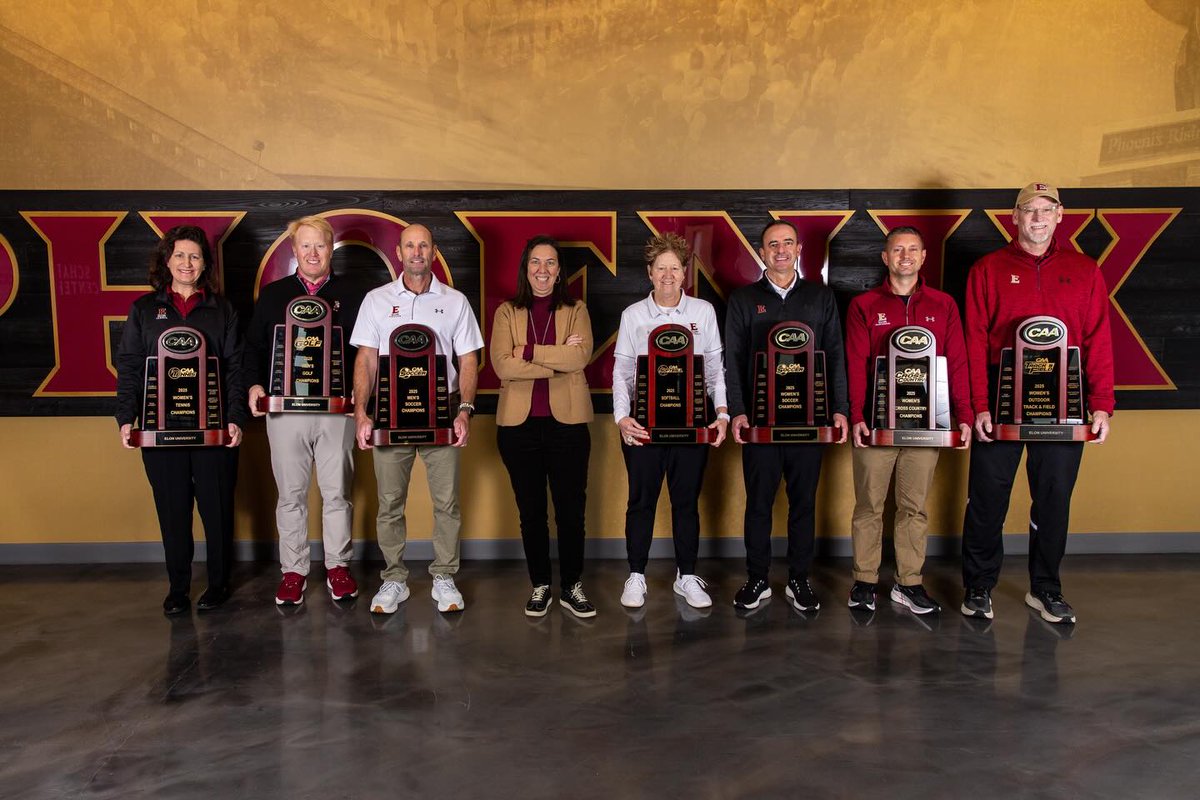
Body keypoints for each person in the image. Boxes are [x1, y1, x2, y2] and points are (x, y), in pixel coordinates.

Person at [961, 183, 1113, 624]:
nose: (1039, 218)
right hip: (1000, 395)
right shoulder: (988, 269)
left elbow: (1098, 339)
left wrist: (1101, 404)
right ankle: (978, 586)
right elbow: (973, 340)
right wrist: (978, 406)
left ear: (1061, 215)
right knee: (987, 497)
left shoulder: (1085, 271)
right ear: (1015, 216)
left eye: (1048, 210)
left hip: (1065, 395)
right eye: (1030, 210)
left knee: (1053, 498)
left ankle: (1045, 588)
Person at [351, 223, 484, 614]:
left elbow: (469, 360)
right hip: (389, 417)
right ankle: (394, 579)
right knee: (390, 502)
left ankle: (444, 575)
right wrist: (362, 412)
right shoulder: (376, 300)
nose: (416, 252)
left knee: (447, 502)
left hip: (442, 412)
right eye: (409, 245)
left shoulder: (456, 301)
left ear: (433, 251)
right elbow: (366, 359)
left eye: (423, 245)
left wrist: (465, 410)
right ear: (399, 253)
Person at [115, 225, 246, 616]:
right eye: (179, 255)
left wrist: (236, 418)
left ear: (204, 264)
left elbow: (236, 367)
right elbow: (131, 366)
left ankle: (219, 584)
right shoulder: (143, 310)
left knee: (216, 508)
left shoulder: (222, 310)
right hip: (160, 431)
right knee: (172, 510)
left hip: (213, 430)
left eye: (194, 256)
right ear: (166, 261)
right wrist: (126, 418)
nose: (187, 263)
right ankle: (178, 588)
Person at [844, 225, 972, 614]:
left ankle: (908, 582)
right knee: (869, 505)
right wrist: (856, 416)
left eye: (912, 249)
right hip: (876, 426)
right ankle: (865, 581)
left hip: (926, 428)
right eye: (896, 250)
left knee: (913, 507)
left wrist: (964, 415)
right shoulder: (864, 305)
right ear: (885, 258)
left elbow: (958, 363)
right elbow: (855, 365)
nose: (904, 256)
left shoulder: (944, 305)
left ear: (923, 257)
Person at [726, 219, 848, 612]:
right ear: (761, 253)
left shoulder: (821, 297)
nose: (780, 250)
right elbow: (734, 360)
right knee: (758, 504)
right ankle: (757, 578)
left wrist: (840, 410)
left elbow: (835, 356)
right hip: (760, 425)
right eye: (772, 244)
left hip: (810, 423)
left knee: (803, 503)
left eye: (788, 243)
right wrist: (739, 412)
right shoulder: (743, 300)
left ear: (799, 250)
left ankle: (799, 579)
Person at [245, 215, 365, 606]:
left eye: (321, 246)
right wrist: (255, 385)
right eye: (306, 246)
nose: (313, 253)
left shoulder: (355, 293)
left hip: (338, 412)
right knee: (291, 495)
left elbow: (368, 354)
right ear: (293, 250)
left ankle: (337, 567)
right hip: (286, 412)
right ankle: (294, 572)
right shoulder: (274, 294)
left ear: (331, 250)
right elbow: (254, 350)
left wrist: (361, 399)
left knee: (337, 494)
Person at [613, 232, 728, 610]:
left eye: (674, 268)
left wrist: (722, 413)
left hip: (693, 425)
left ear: (685, 273)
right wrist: (622, 417)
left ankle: (686, 575)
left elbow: (715, 369)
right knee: (641, 501)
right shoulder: (633, 315)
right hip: (643, 426)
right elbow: (622, 372)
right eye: (660, 268)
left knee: (686, 503)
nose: (668, 275)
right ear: (650, 273)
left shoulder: (702, 312)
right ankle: (636, 575)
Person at [491, 236, 596, 618]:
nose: (542, 270)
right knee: (530, 511)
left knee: (571, 510)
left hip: (568, 425)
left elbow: (580, 356)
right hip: (518, 428)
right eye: (536, 262)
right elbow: (502, 365)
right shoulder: (506, 312)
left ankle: (571, 585)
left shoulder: (576, 308)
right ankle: (541, 584)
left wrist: (529, 352)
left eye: (550, 263)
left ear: (559, 270)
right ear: (526, 268)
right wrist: (558, 359)